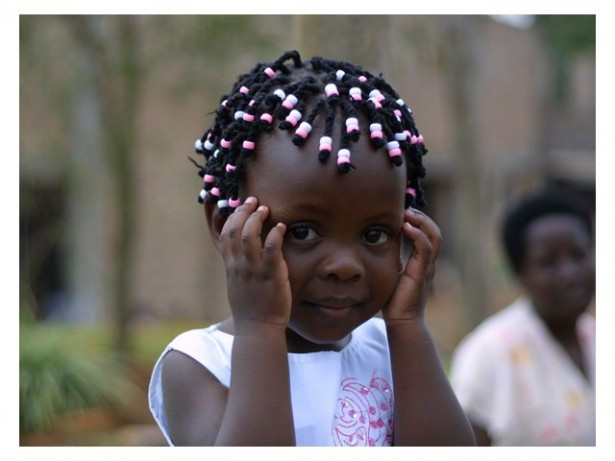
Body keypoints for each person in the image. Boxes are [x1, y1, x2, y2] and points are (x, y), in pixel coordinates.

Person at [148, 50, 475, 446]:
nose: (345, 267)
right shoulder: (201, 363)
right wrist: (260, 328)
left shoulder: (392, 348)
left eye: (375, 235)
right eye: (303, 232)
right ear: (225, 227)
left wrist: (408, 327)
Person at [449, 187, 595, 446]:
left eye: (579, 255)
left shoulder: (597, 337)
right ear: (520, 273)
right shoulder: (487, 352)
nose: (569, 273)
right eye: (549, 262)